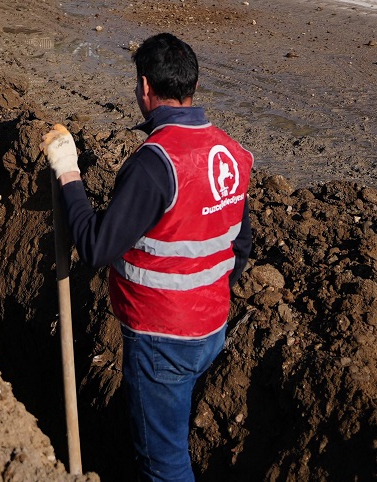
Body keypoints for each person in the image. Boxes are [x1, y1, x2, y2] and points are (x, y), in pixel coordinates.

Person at [40, 33, 253, 482]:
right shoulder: (231, 153)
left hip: (163, 339)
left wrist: (68, 172)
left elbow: (97, 247)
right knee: (170, 440)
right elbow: (241, 245)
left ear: (143, 87)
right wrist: (207, 295)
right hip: (212, 329)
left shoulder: (156, 162)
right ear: (191, 84)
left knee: (163, 463)